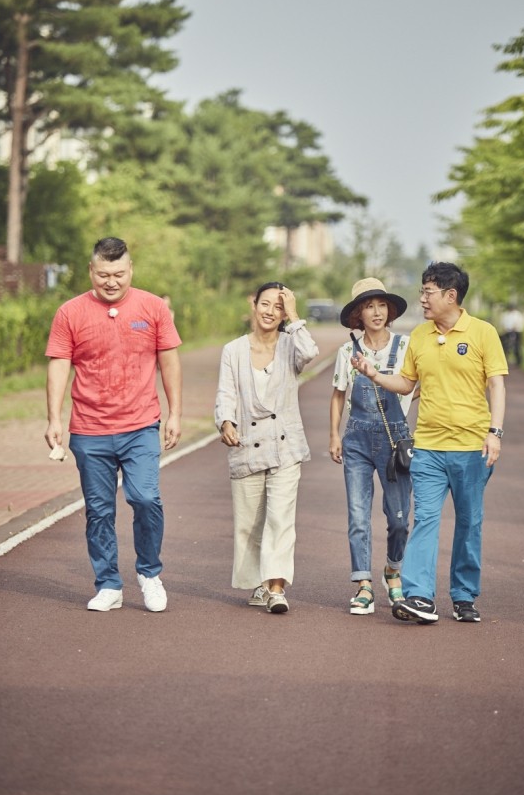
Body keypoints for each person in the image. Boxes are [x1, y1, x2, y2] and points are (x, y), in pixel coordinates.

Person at [351, 262, 508, 625]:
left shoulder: (483, 333)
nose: (421, 298)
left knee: (470, 523)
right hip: (428, 448)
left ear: (450, 296)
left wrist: (495, 432)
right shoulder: (420, 336)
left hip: (472, 448)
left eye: (428, 292)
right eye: (422, 291)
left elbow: (497, 385)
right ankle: (420, 595)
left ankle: (464, 595)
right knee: (425, 520)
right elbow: (407, 384)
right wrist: (375, 374)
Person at [44, 237, 182, 613]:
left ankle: (149, 574)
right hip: (89, 429)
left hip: (140, 426)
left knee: (144, 498)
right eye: (103, 274)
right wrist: (54, 418)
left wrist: (175, 413)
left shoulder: (152, 307)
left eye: (119, 274)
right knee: (99, 510)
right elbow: (58, 364)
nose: (111, 281)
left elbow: (169, 361)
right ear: (91, 271)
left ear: (130, 270)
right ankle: (108, 584)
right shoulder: (70, 312)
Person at [215, 282, 319, 614]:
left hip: (286, 446)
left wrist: (295, 315)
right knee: (249, 522)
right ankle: (259, 583)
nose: (271, 312)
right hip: (246, 446)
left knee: (280, 519)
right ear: (253, 304)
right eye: (266, 304)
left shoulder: (292, 345)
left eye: (278, 306)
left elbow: (311, 354)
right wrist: (226, 422)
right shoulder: (233, 350)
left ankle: (277, 587)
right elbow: (226, 393)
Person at [330, 278, 414, 615]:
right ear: (357, 315)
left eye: (381, 305)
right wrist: (334, 435)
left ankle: (392, 570)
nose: (376, 312)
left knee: (399, 519)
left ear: (390, 310)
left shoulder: (405, 347)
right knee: (358, 516)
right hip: (357, 442)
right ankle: (364, 584)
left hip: (395, 442)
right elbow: (338, 394)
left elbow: (415, 385)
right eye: (368, 306)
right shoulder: (347, 352)